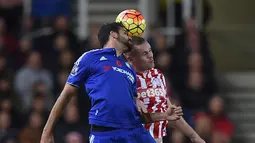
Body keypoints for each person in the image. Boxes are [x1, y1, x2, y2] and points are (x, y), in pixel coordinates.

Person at [40, 22, 183, 143]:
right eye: (125, 33)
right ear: (114, 34)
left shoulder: (130, 68)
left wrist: (164, 115)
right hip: (105, 133)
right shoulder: (90, 57)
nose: (130, 37)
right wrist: (47, 131)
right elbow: (66, 95)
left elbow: (136, 112)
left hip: (135, 131)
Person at [125, 36, 205, 143]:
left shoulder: (157, 75)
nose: (150, 56)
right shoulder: (126, 79)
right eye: (144, 54)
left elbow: (169, 111)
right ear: (131, 59)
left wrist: (194, 136)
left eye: (150, 51)